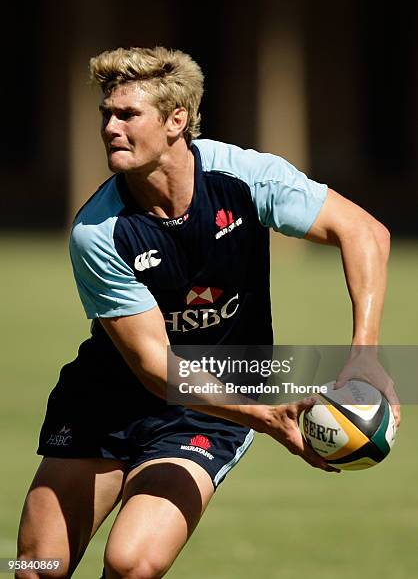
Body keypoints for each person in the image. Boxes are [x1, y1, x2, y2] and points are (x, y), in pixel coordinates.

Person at [16, 46, 400, 579]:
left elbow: (365, 232)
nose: (110, 127)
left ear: (177, 121)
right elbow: (156, 367)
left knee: (132, 564)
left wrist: (364, 356)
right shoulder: (98, 232)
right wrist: (266, 417)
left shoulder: (244, 176)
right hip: (103, 401)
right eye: (106, 113)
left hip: (208, 407)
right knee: (37, 566)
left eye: (128, 115)